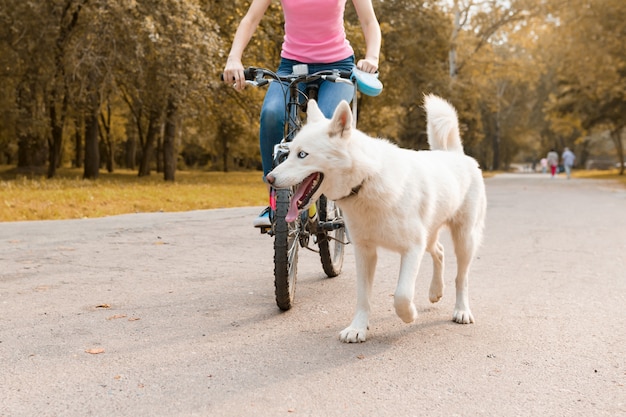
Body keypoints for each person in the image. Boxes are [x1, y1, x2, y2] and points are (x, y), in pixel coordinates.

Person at [222, 0, 381, 227]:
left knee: (327, 126)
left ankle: (319, 192)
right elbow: (251, 18)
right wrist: (233, 58)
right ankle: (276, 201)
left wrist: (372, 58)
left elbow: (368, 21)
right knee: (271, 114)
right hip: (291, 65)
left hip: (338, 65)